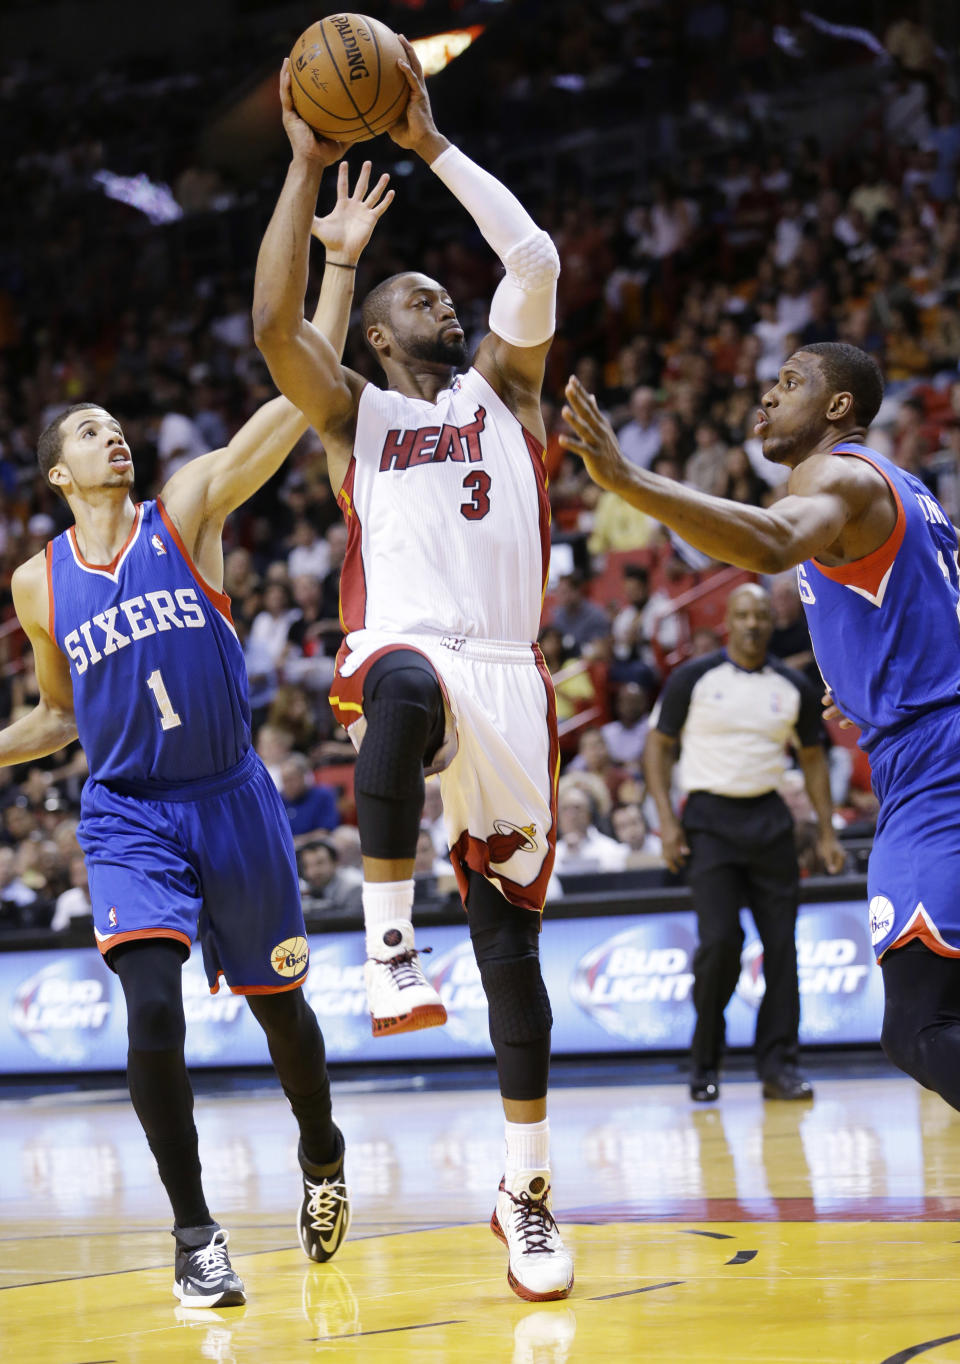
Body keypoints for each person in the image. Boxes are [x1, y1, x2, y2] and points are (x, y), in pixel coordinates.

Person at [5, 164, 392, 1307]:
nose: (111, 439)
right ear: (55, 473)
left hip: (231, 797)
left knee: (286, 1020)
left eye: (117, 426)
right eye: (89, 431)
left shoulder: (189, 507)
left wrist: (338, 264)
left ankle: (319, 1146)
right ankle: (194, 1232)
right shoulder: (37, 583)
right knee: (156, 1011)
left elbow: (292, 398)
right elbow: (53, 717)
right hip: (129, 814)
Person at [252, 45, 573, 1302]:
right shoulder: (353, 420)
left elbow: (533, 262)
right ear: (377, 336)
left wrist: (432, 140)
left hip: (512, 682)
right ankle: (388, 945)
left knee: (513, 964)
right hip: (415, 653)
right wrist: (301, 164)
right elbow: (278, 328)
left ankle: (526, 1191)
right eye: (422, 295)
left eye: (449, 290)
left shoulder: (508, 385)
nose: (446, 300)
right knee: (391, 681)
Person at [561, 339, 960, 1132]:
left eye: (791, 383)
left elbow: (773, 545)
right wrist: (867, 681)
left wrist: (630, 480)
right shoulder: (908, 489)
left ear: (838, 407)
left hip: (936, 767)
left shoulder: (835, 474)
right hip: (926, 739)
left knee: (920, 1027)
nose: (767, 397)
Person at [645, 584, 844, 1103]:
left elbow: (813, 759)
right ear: (728, 622)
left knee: (782, 948)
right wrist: (667, 821)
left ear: (769, 622)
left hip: (769, 820)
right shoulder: (694, 677)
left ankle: (779, 1067)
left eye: (761, 615)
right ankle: (705, 1062)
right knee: (720, 944)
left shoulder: (792, 685)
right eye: (743, 615)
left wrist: (826, 830)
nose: (754, 624)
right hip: (709, 823)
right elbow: (658, 748)